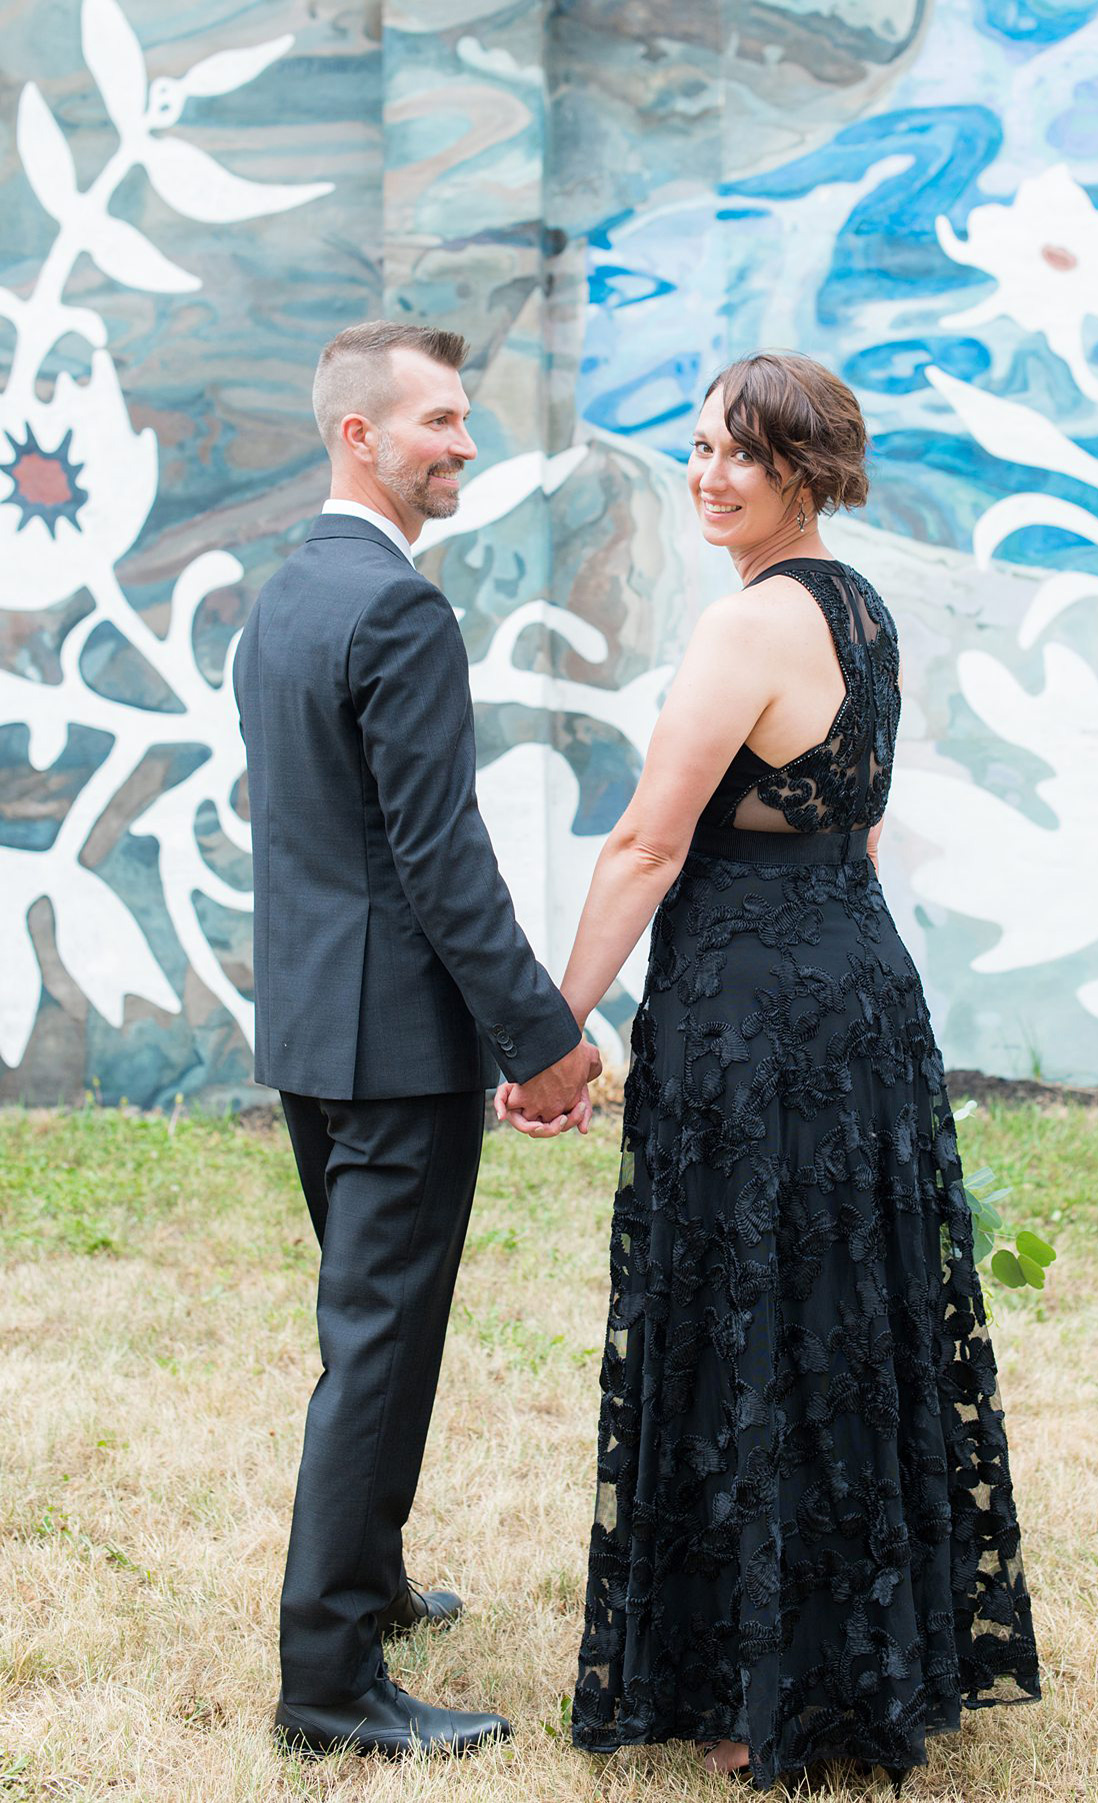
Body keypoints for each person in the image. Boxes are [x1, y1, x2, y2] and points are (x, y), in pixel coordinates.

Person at [497, 352, 1041, 1791]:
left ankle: (776, 1693)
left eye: (741, 453)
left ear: (807, 468)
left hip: (759, 1020)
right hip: (857, 996)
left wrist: (554, 1032)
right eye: (695, 448)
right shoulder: (863, 614)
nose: (707, 474)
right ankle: (856, 1664)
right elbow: (852, 837)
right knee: (840, 1319)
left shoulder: (748, 628)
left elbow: (645, 845)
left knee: (756, 1324)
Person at [233, 320, 600, 1759]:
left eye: (461, 421)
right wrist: (545, 1038)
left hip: (317, 1032)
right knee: (376, 1350)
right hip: (396, 1047)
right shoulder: (397, 611)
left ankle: (372, 1582)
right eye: (437, 420)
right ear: (359, 435)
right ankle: (327, 1687)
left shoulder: (285, 598)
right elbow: (438, 858)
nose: (461, 442)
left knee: (377, 1328)